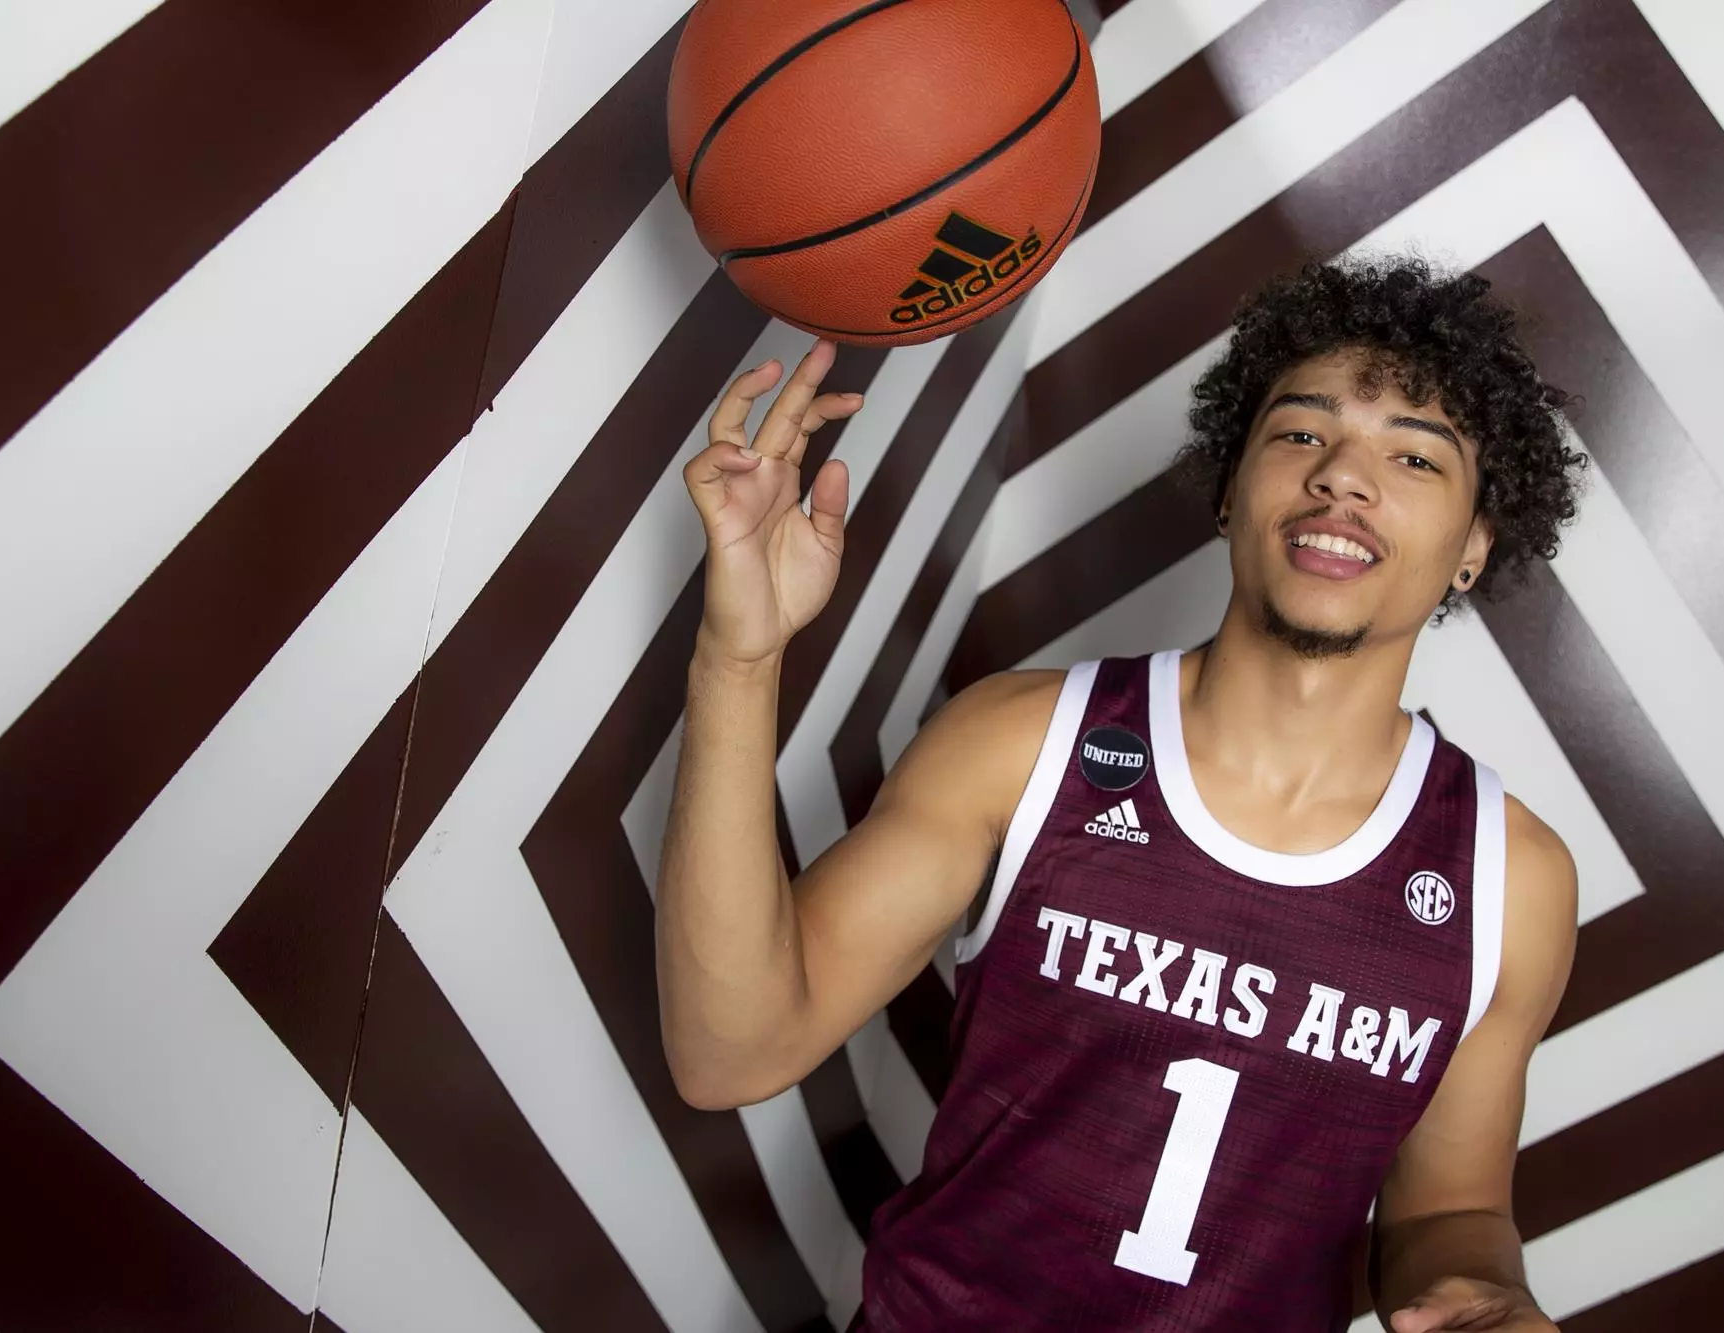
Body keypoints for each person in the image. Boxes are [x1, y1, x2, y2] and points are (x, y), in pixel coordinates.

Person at [660, 257, 1586, 1332]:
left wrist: (1483, 1296)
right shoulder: (1021, 742)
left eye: (1414, 457)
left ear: (1473, 544)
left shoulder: (1505, 877)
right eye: (1299, 433)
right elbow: (730, 1049)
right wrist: (738, 659)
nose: (1342, 475)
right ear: (1229, 484)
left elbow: (1450, 1210)